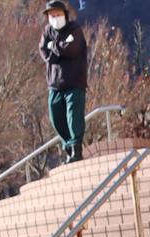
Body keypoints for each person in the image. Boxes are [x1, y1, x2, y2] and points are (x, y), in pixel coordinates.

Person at [39, 1, 88, 164]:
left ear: (65, 14)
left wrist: (54, 46)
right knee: (56, 117)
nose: (55, 18)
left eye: (58, 14)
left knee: (74, 116)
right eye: (52, 15)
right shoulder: (47, 31)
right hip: (55, 84)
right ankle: (68, 146)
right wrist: (58, 47)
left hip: (74, 82)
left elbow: (71, 49)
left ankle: (76, 149)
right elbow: (43, 50)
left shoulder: (75, 29)